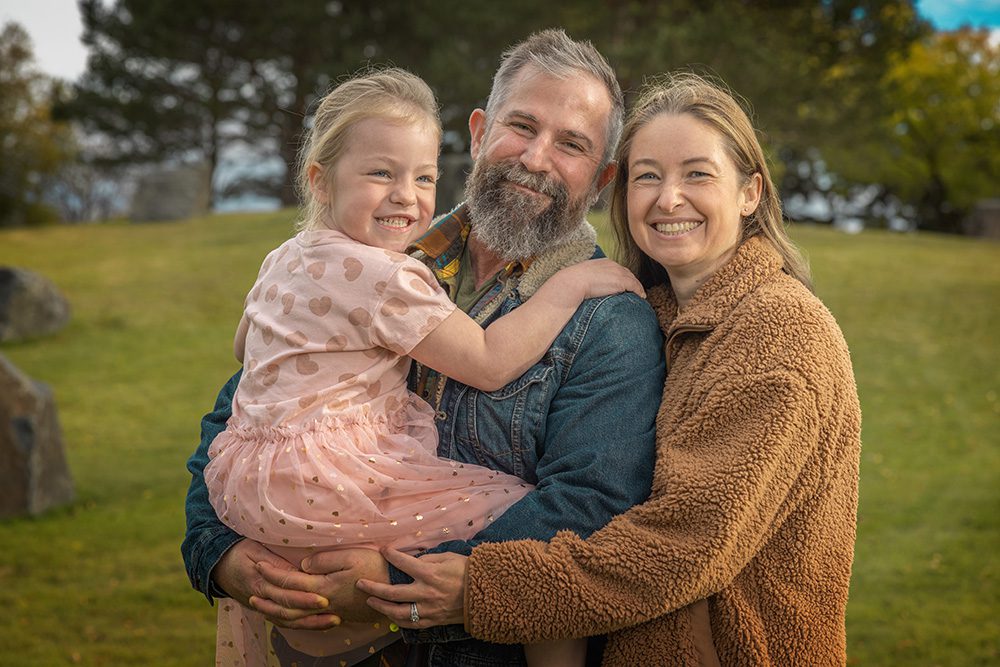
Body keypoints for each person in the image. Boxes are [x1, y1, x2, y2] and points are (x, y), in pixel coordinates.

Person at [183, 30, 666, 666]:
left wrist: (388, 578)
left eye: (571, 144)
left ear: (602, 178)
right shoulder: (374, 257)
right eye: (521, 126)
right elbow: (242, 411)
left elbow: (588, 509)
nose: (537, 158)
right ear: (478, 131)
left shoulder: (610, 321)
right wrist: (221, 555)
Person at [357, 72, 863, 665]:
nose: (668, 198)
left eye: (697, 173)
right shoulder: (671, 315)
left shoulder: (779, 333)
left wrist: (478, 585)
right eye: (647, 175)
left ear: (750, 192)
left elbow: (684, 547)